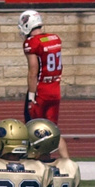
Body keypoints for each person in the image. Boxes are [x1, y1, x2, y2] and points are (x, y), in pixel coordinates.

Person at [20, 11, 66, 148]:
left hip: (41, 90)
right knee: (53, 131)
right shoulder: (54, 38)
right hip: (55, 88)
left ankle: (37, 163)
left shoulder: (32, 42)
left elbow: (33, 71)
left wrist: (31, 96)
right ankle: (67, 162)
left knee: (34, 130)